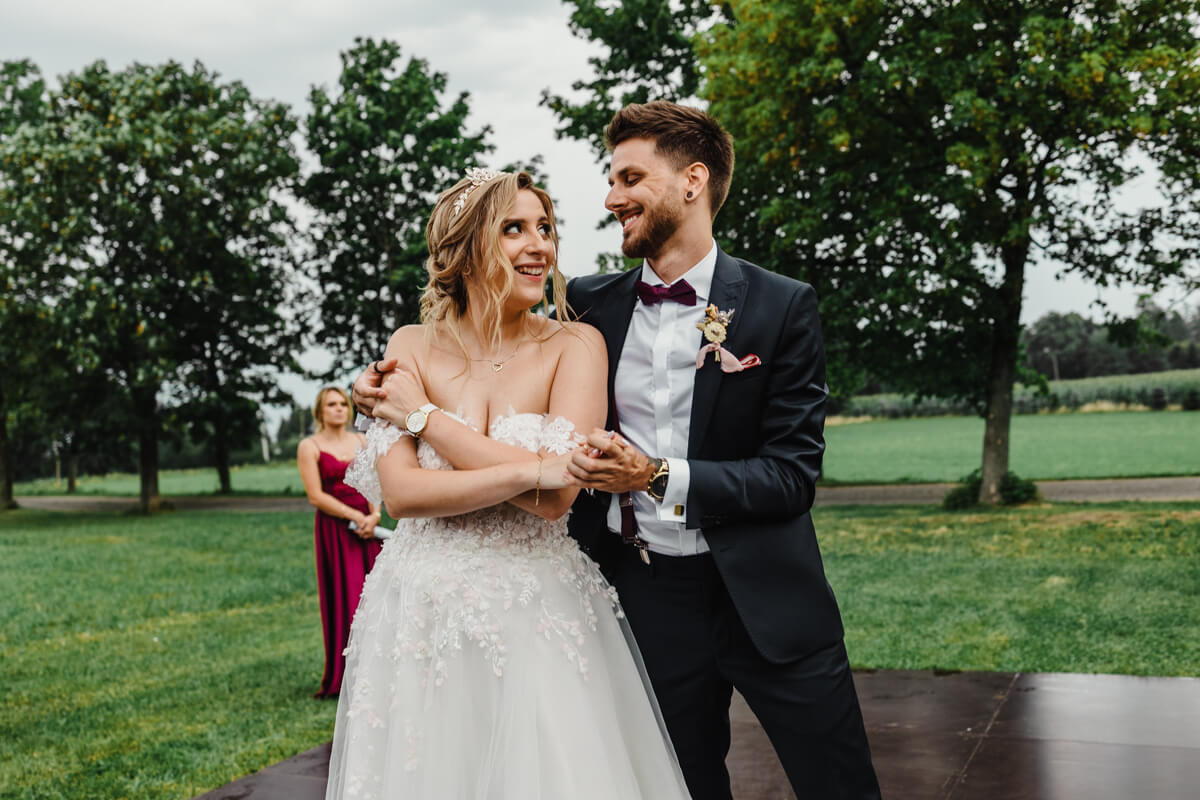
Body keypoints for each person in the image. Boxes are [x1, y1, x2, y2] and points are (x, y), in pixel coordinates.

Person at [327, 169, 691, 799]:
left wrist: (424, 419)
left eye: (545, 228)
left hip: (538, 607)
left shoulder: (576, 344)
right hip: (420, 605)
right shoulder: (410, 345)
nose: (539, 245)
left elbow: (557, 501)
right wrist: (532, 467)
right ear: (466, 250)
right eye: (514, 229)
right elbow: (405, 496)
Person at [296, 386, 383, 698]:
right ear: (320, 411)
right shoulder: (310, 446)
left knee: (376, 595)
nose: (338, 409)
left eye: (343, 404)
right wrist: (354, 515)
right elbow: (315, 495)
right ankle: (347, 675)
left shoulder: (362, 441)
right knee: (347, 597)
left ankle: (380, 671)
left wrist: (374, 514)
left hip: (367, 528)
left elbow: (373, 481)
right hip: (336, 529)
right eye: (331, 404)